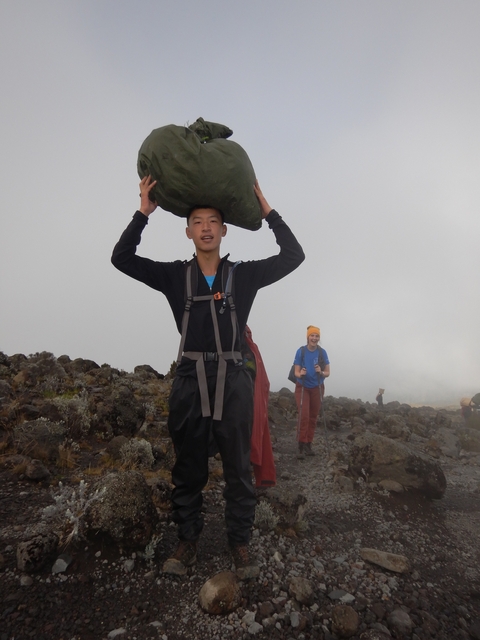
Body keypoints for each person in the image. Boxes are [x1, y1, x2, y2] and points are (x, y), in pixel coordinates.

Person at [111, 175, 304, 579]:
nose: (205, 227)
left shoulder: (244, 275)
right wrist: (143, 213)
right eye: (197, 221)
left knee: (237, 468)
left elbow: (293, 256)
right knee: (188, 469)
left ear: (224, 228)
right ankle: (188, 541)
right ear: (187, 231)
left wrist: (268, 212)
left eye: (212, 220)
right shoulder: (174, 277)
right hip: (189, 381)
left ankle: (239, 544)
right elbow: (122, 258)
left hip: (233, 381)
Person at [293, 325, 330, 458]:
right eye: (312, 335)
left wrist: (321, 372)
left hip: (317, 387)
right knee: (304, 415)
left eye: (317, 336)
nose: (314, 338)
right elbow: (296, 372)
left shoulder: (322, 352)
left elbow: (328, 373)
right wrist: (300, 373)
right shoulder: (301, 351)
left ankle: (308, 444)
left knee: (313, 417)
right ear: (308, 337)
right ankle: (301, 444)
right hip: (302, 387)